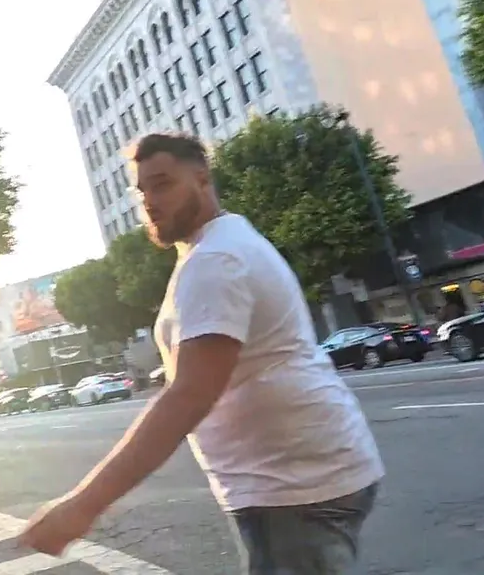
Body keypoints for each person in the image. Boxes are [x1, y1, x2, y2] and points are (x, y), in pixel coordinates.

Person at [20, 133, 384, 574]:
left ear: (202, 178)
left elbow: (189, 395)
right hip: (295, 477)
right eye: (142, 191)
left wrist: (82, 506)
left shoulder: (215, 259)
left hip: (292, 486)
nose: (150, 202)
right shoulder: (220, 243)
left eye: (163, 184)